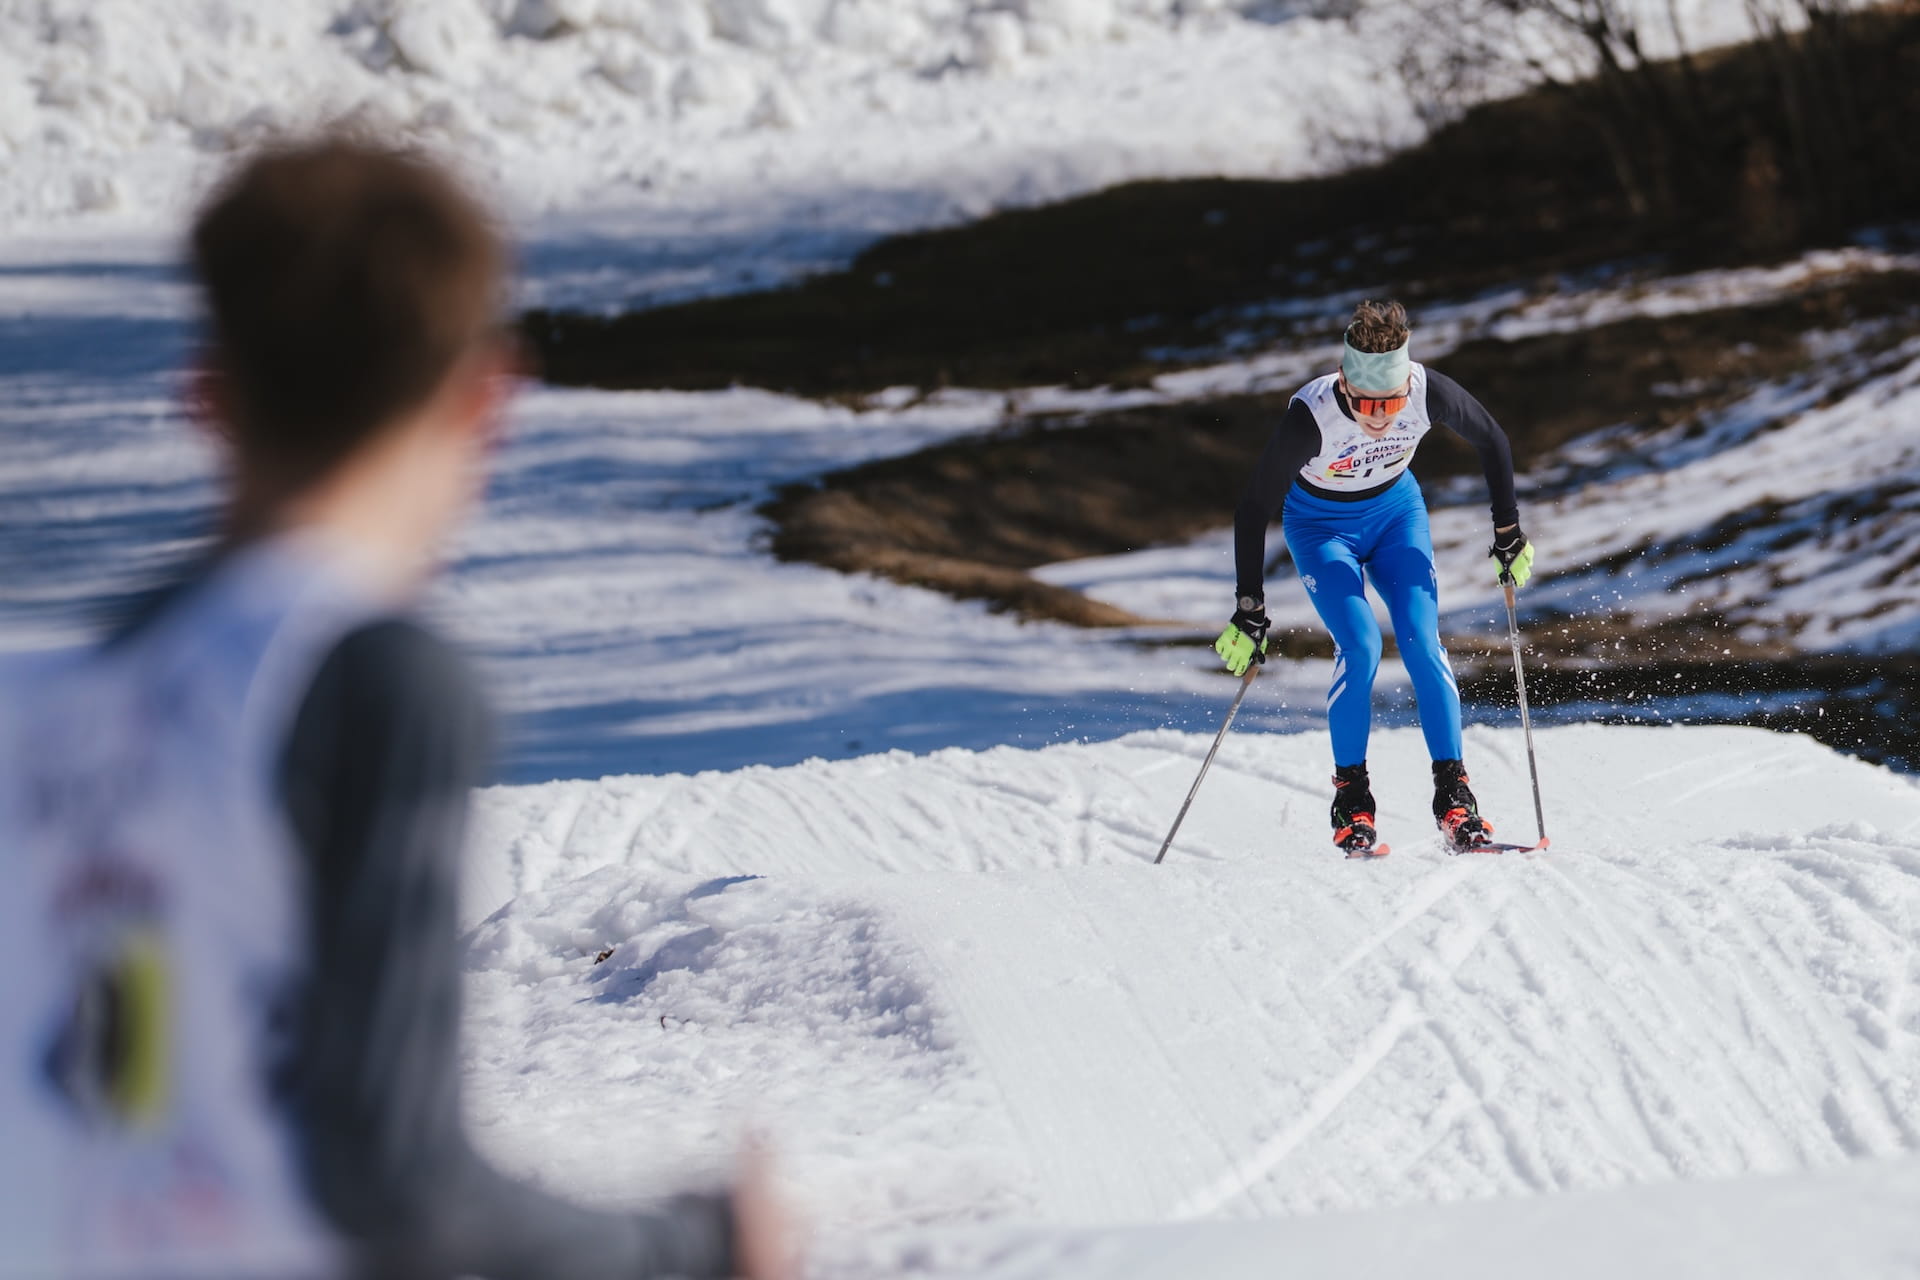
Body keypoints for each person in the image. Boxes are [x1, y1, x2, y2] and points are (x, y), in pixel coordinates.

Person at [0, 137, 789, 1278]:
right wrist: (692, 1249)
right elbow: (394, 1172)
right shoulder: (370, 679)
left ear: (208, 396)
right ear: (486, 401)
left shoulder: (42, 702)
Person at [1215, 300, 1535, 855]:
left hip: (1395, 517)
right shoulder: (1311, 418)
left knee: (1420, 639)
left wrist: (1507, 531)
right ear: (1344, 383)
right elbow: (1252, 509)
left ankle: (1454, 795)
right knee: (1360, 646)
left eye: (1392, 401)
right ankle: (1352, 799)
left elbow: (1493, 440)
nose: (1382, 416)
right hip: (1320, 529)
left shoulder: (1427, 392)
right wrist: (1249, 608)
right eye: (1367, 403)